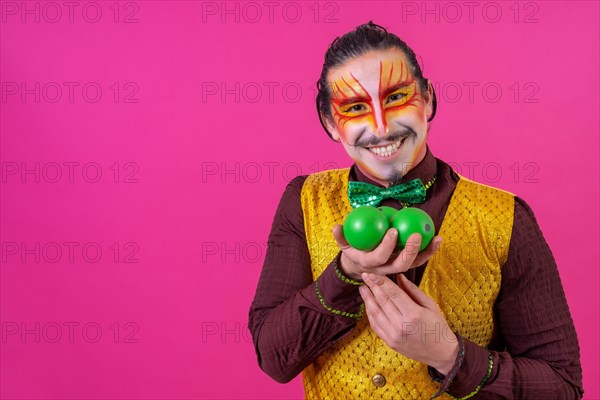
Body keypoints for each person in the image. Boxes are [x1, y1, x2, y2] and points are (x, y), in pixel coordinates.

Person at [248, 21, 583, 399]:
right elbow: (274, 359)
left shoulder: (506, 217)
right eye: (356, 108)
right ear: (330, 123)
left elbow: (562, 387)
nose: (381, 127)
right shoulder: (304, 200)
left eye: (395, 98)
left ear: (428, 99)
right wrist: (345, 274)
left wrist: (448, 354)